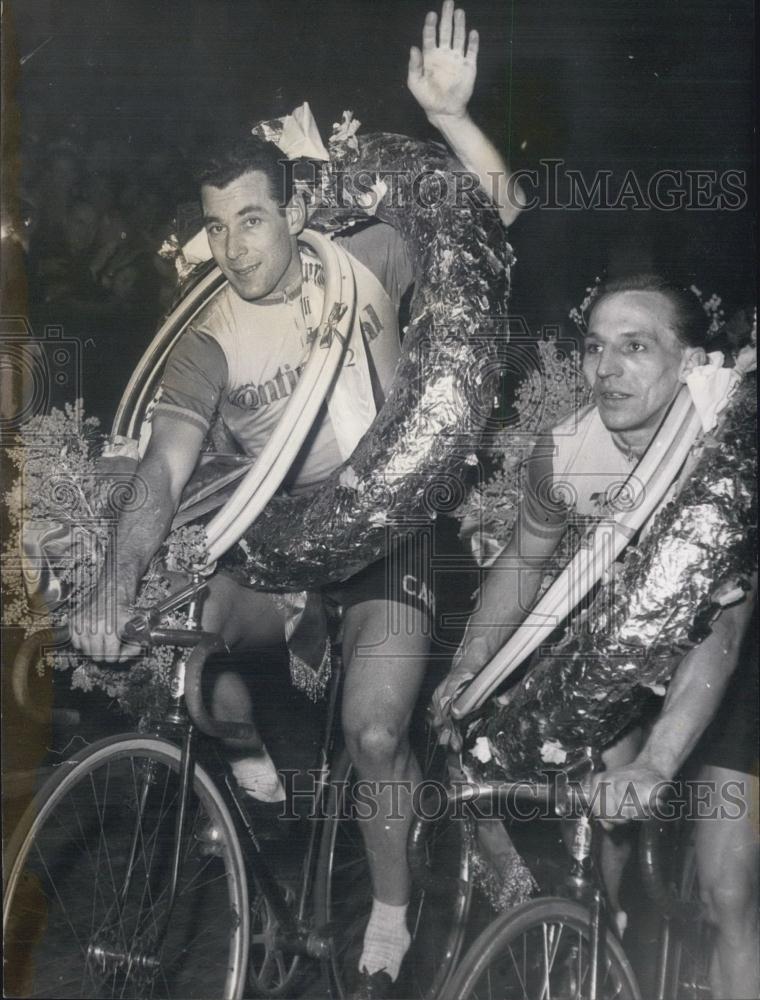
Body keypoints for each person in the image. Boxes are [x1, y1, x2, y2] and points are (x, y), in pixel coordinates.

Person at [72, 4, 521, 996]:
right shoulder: (208, 338)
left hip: (390, 533)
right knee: (192, 674)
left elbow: (496, 212)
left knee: (374, 731)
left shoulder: (366, 260)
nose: (235, 247)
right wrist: (114, 578)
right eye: (217, 225)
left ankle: (391, 911)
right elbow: (164, 471)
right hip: (276, 544)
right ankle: (256, 786)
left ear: (293, 210)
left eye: (252, 219)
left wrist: (451, 118)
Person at [432, 273, 758, 999]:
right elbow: (523, 561)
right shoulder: (566, 450)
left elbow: (727, 628)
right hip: (637, 638)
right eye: (593, 347)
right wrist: (470, 664)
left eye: (634, 347)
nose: (605, 369)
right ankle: (604, 940)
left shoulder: (729, 443)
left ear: (690, 361)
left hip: (731, 648)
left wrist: (659, 765)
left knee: (729, 890)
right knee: (595, 806)